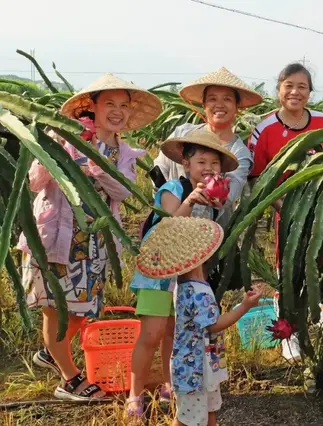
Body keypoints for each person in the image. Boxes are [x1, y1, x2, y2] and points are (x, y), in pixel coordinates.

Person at [20, 74, 162, 400]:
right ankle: (69, 380)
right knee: (56, 309)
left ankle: (50, 352)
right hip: (55, 239)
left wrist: (93, 161)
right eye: (109, 103)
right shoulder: (62, 135)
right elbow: (34, 182)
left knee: (82, 312)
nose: (117, 111)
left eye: (123, 106)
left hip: (94, 245)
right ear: (92, 106)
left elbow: (122, 190)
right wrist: (61, 146)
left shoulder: (126, 153)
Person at [126, 129, 239, 418]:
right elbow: (169, 226)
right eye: (201, 162)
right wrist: (192, 201)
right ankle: (134, 395)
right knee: (151, 334)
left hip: (186, 279)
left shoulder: (212, 201)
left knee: (174, 335)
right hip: (157, 273)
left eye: (214, 165)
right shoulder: (173, 190)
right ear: (185, 164)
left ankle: (170, 385)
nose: (208, 170)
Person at [135, 216, 263, 426]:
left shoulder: (185, 286)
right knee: (187, 419)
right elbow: (214, 324)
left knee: (208, 412)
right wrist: (244, 306)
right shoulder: (198, 292)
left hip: (200, 366)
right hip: (195, 370)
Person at [248, 62, 323, 360]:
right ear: (279, 89)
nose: (295, 92)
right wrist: (282, 205)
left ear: (310, 91)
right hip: (287, 208)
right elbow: (257, 175)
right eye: (289, 86)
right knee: (289, 268)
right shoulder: (264, 128)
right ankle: (289, 332)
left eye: (302, 87)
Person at [152, 67, 262, 227]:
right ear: (203, 104)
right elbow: (158, 170)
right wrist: (167, 200)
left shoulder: (240, 152)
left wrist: (201, 196)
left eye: (227, 99)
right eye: (212, 99)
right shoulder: (183, 132)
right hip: (169, 227)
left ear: (237, 106)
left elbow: (229, 196)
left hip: (213, 232)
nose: (219, 105)